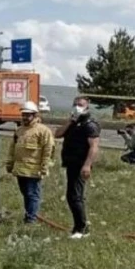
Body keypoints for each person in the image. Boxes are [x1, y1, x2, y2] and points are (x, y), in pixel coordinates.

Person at [54, 95, 100, 239]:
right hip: (71, 163)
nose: (77, 107)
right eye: (75, 104)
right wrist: (70, 121)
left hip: (80, 164)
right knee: (72, 195)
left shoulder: (90, 124)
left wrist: (87, 165)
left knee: (75, 196)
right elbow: (58, 133)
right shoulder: (74, 122)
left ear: (87, 106)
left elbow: (94, 147)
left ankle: (82, 228)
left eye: (80, 104)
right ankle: (78, 225)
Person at [6, 101, 54, 224]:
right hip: (20, 169)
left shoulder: (43, 131)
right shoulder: (19, 130)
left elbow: (48, 150)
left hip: (34, 171)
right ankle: (29, 215)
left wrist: (45, 167)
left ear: (35, 115)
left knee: (32, 194)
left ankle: (31, 219)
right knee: (26, 194)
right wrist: (10, 164)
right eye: (23, 114)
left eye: (28, 115)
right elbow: (13, 148)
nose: (25, 117)